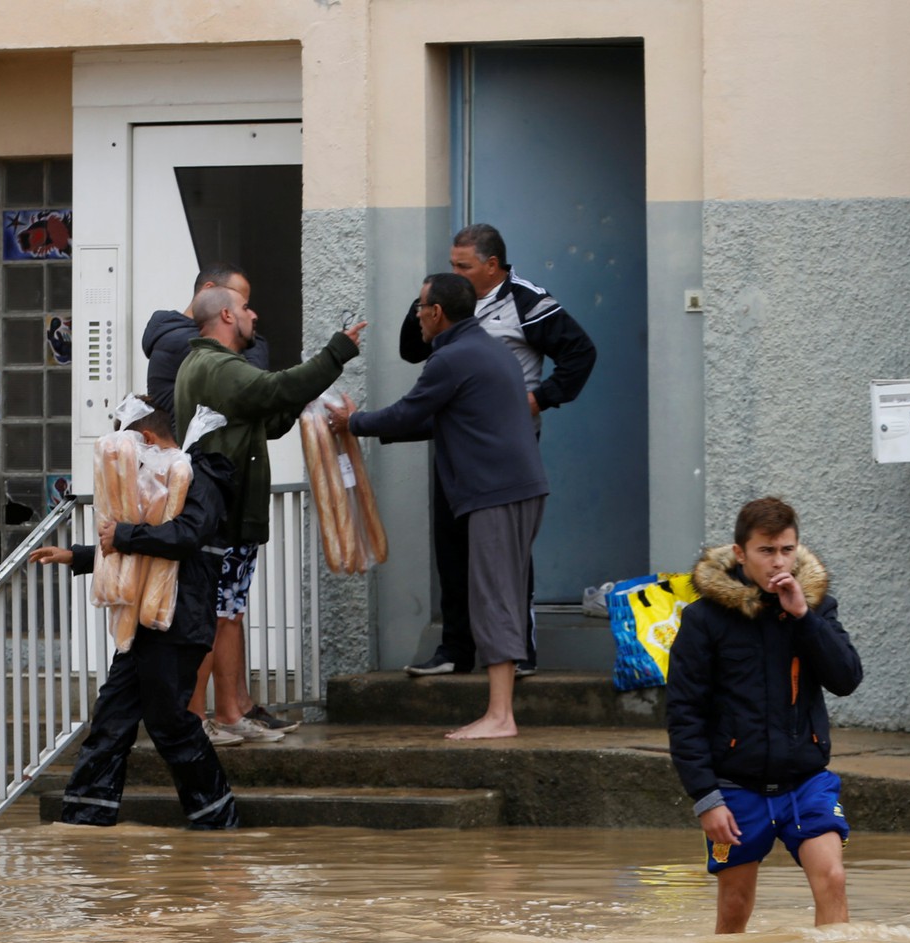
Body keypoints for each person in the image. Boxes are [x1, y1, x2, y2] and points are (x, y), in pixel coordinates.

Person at [338, 272, 546, 739]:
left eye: (419, 309)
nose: (416, 316)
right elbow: (439, 421)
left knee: (492, 598)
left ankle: (499, 717)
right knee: (504, 595)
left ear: (436, 313)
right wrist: (365, 426)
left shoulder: (450, 358)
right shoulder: (491, 349)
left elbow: (411, 411)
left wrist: (353, 422)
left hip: (495, 491)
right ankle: (501, 713)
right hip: (523, 486)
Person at [29, 397, 240, 828]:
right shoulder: (160, 482)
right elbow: (136, 552)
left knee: (169, 721)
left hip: (178, 622)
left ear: (143, 440)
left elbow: (182, 537)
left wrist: (124, 534)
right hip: (141, 624)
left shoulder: (198, 477)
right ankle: (84, 822)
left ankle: (218, 822)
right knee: (112, 718)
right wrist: (75, 555)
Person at [398, 223, 597, 679]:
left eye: (463, 267)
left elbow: (581, 353)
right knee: (451, 543)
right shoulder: (445, 297)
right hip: (453, 440)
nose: (456, 273)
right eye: (451, 265)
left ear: (492, 266)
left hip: (507, 445)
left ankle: (518, 651)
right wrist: (424, 306)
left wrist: (538, 398)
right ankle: (455, 649)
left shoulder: (527, 301)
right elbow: (411, 351)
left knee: (505, 550)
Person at [174, 284, 365, 747]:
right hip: (218, 516)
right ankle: (193, 718)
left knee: (229, 614)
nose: (253, 315)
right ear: (224, 315)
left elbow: (264, 413)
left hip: (230, 515)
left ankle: (231, 713)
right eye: (244, 307)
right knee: (213, 617)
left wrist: (305, 404)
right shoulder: (215, 365)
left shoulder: (218, 368)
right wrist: (337, 351)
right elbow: (272, 388)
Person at [665, 497, 864, 933]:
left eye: (787, 550)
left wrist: (803, 616)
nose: (779, 563)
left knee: (833, 878)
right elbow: (684, 714)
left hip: (805, 781)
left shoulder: (817, 607)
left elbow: (847, 679)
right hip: (736, 787)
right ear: (740, 553)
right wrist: (706, 798)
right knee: (734, 905)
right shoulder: (703, 620)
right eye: (766, 551)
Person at [141, 263, 271, 411]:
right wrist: (252, 339)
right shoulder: (185, 342)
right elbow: (252, 387)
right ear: (209, 290)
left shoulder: (179, 335)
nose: (249, 315)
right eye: (240, 305)